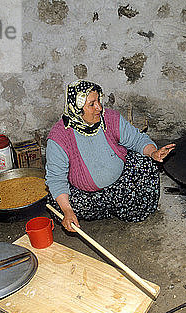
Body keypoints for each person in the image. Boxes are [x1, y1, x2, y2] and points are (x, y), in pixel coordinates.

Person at [45, 80, 175, 232]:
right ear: (77, 108)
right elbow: (56, 178)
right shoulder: (60, 137)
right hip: (88, 195)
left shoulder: (110, 118)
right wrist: (67, 211)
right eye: (92, 104)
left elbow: (137, 139)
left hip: (120, 184)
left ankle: (113, 207)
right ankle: (109, 208)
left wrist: (153, 152)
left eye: (98, 101)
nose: (99, 108)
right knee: (58, 206)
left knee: (146, 163)